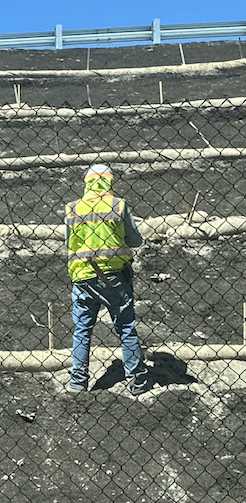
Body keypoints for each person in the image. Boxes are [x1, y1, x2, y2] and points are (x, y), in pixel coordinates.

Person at [64, 164, 149, 396]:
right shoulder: (118, 205)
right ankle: (138, 382)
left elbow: (69, 243)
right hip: (113, 277)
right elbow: (134, 240)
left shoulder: (72, 209)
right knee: (125, 327)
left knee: (82, 329)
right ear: (110, 182)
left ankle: (77, 382)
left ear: (87, 182)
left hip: (82, 277)